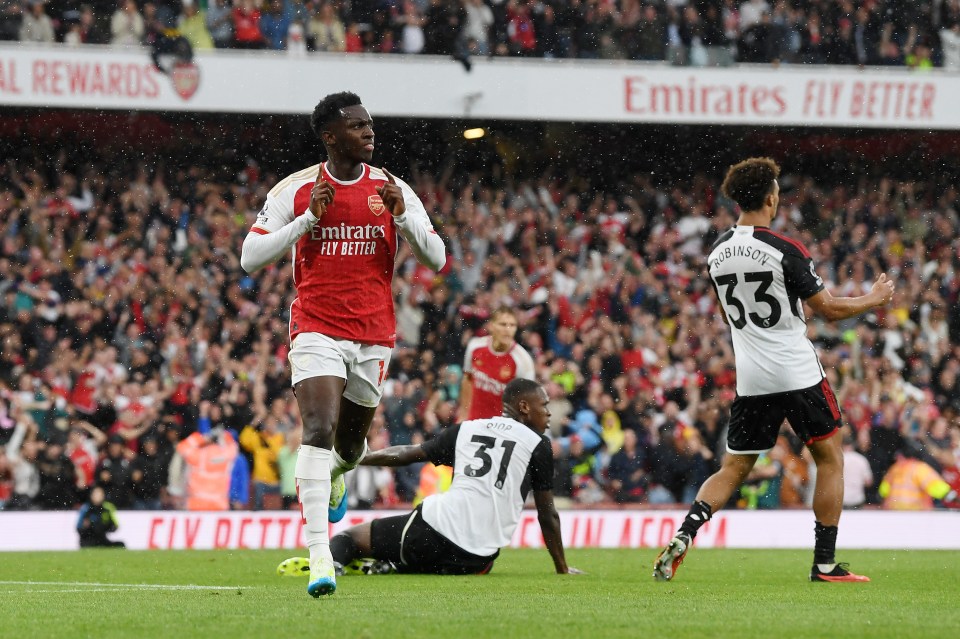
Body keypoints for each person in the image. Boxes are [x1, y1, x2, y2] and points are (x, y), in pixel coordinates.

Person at [240, 91, 446, 597]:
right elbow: (249, 257)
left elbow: (437, 258)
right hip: (316, 326)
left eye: (370, 125)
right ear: (330, 136)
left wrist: (404, 219)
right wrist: (306, 221)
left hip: (374, 333)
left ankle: (335, 473)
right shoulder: (296, 189)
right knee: (317, 427)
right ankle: (319, 557)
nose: (369, 132)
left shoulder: (392, 187)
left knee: (351, 447)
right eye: (357, 126)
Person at [654, 157, 895, 584]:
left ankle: (685, 533)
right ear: (771, 197)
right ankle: (824, 564)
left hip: (751, 377)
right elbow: (830, 310)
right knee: (830, 458)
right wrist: (874, 299)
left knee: (734, 468)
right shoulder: (785, 248)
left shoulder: (717, 253)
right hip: (795, 370)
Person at [284, 379, 580, 577]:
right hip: (477, 560)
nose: (549, 414)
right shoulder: (538, 444)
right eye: (544, 406)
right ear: (525, 408)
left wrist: (355, 459)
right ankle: (390, 564)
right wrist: (562, 568)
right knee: (427, 559)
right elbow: (547, 514)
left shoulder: (468, 429)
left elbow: (407, 454)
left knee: (348, 537)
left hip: (430, 532)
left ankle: (332, 566)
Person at [458, 306, 535, 421]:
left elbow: (527, 401)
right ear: (491, 326)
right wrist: (463, 414)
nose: (508, 329)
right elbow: (467, 380)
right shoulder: (475, 346)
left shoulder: (523, 360)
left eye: (512, 325)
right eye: (503, 324)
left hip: (501, 429)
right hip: (473, 422)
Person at [175, 427, 238, 511]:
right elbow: (234, 448)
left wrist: (202, 438)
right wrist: (224, 436)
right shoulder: (224, 456)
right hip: (218, 504)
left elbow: (182, 447)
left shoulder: (199, 455)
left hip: (197, 503)